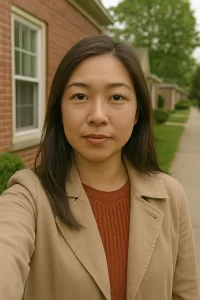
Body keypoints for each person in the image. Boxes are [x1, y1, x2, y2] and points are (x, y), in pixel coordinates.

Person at [0, 35, 199, 300]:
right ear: (59, 109)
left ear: (137, 112)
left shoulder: (170, 196)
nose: (97, 116)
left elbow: (185, 293)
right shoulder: (29, 196)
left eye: (116, 97)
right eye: (80, 96)